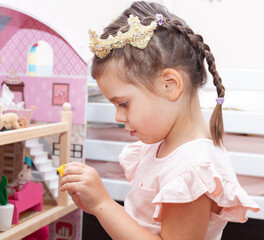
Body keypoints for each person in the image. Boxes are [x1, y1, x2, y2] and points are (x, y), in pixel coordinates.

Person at [59, 1, 260, 239]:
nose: (117, 116)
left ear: (170, 85)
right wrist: (98, 208)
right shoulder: (160, 148)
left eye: (123, 103)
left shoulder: (192, 171)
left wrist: (104, 204)